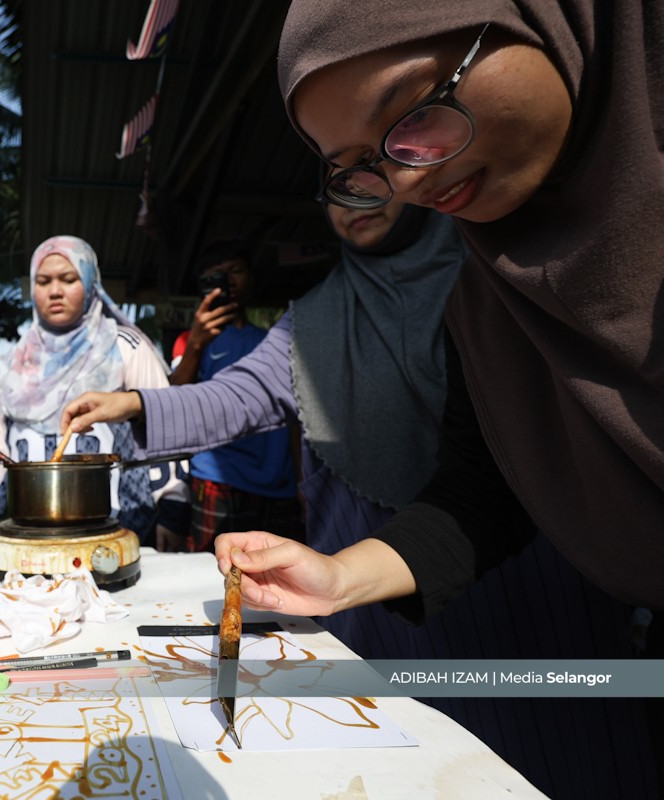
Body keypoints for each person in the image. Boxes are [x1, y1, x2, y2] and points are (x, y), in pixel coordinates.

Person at [62, 200, 658, 798]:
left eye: (379, 159)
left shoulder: (512, 278)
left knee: (555, 747)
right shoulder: (314, 319)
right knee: (399, 756)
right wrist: (137, 404)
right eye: (338, 174)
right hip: (370, 572)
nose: (358, 194)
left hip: (520, 568)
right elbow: (240, 395)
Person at [0, 235, 187, 552]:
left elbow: (164, 428)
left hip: (119, 534)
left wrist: (173, 508)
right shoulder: (21, 359)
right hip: (33, 538)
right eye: (43, 281)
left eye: (68, 279)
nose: (55, 291)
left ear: (90, 282)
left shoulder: (125, 347)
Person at [167, 240, 300, 552]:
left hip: (278, 483)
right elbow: (173, 401)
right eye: (218, 275)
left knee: (277, 587)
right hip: (218, 479)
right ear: (203, 285)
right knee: (206, 579)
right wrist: (197, 343)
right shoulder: (190, 341)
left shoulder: (276, 340)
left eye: (236, 271)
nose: (229, 282)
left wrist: (303, 480)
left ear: (251, 277)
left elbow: (297, 414)